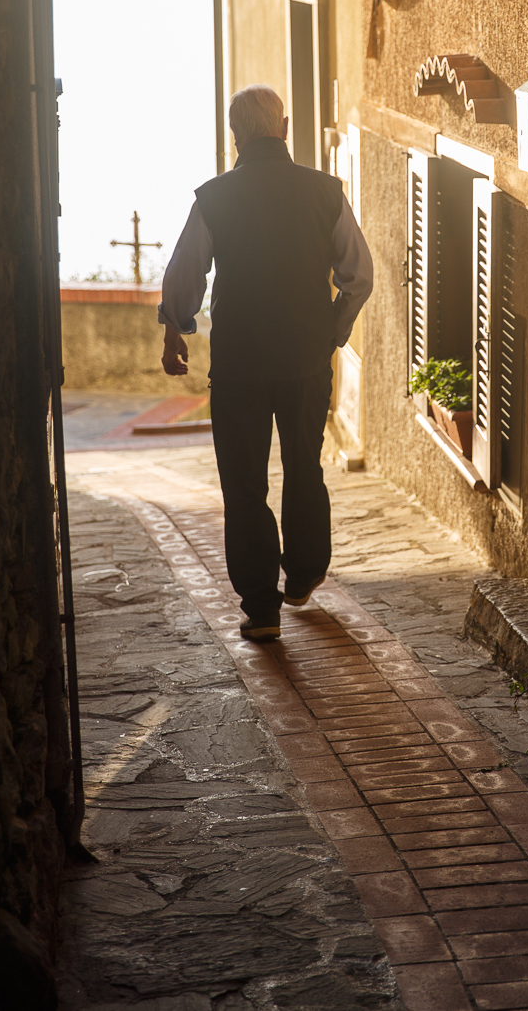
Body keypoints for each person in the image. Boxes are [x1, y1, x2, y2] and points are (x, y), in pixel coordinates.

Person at [158, 84, 373, 643]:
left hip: (239, 367)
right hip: (305, 362)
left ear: (235, 135)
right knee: (305, 467)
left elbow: (185, 274)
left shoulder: (214, 198)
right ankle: (302, 576)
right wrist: (334, 327)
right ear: (285, 126)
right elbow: (359, 275)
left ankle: (261, 607)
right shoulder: (326, 192)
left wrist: (175, 329)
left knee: (244, 481)